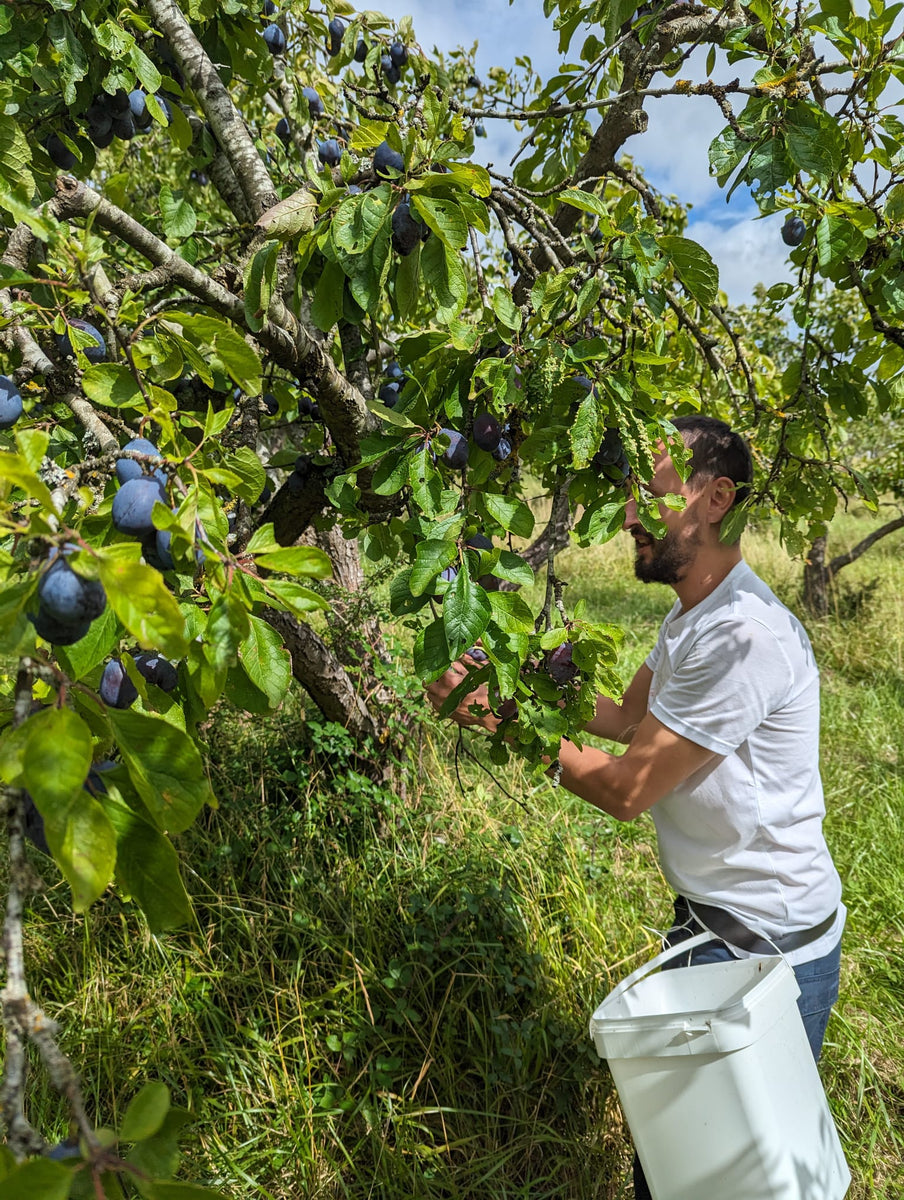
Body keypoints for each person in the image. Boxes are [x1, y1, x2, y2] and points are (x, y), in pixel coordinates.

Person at [425, 415, 844, 1199]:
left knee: (717, 1182)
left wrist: (493, 718)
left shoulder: (746, 637)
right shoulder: (693, 614)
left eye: (645, 496)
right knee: (683, 1173)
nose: (625, 518)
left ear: (715, 499)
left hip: (767, 952)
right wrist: (516, 679)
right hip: (722, 929)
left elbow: (626, 788)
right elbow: (623, 716)